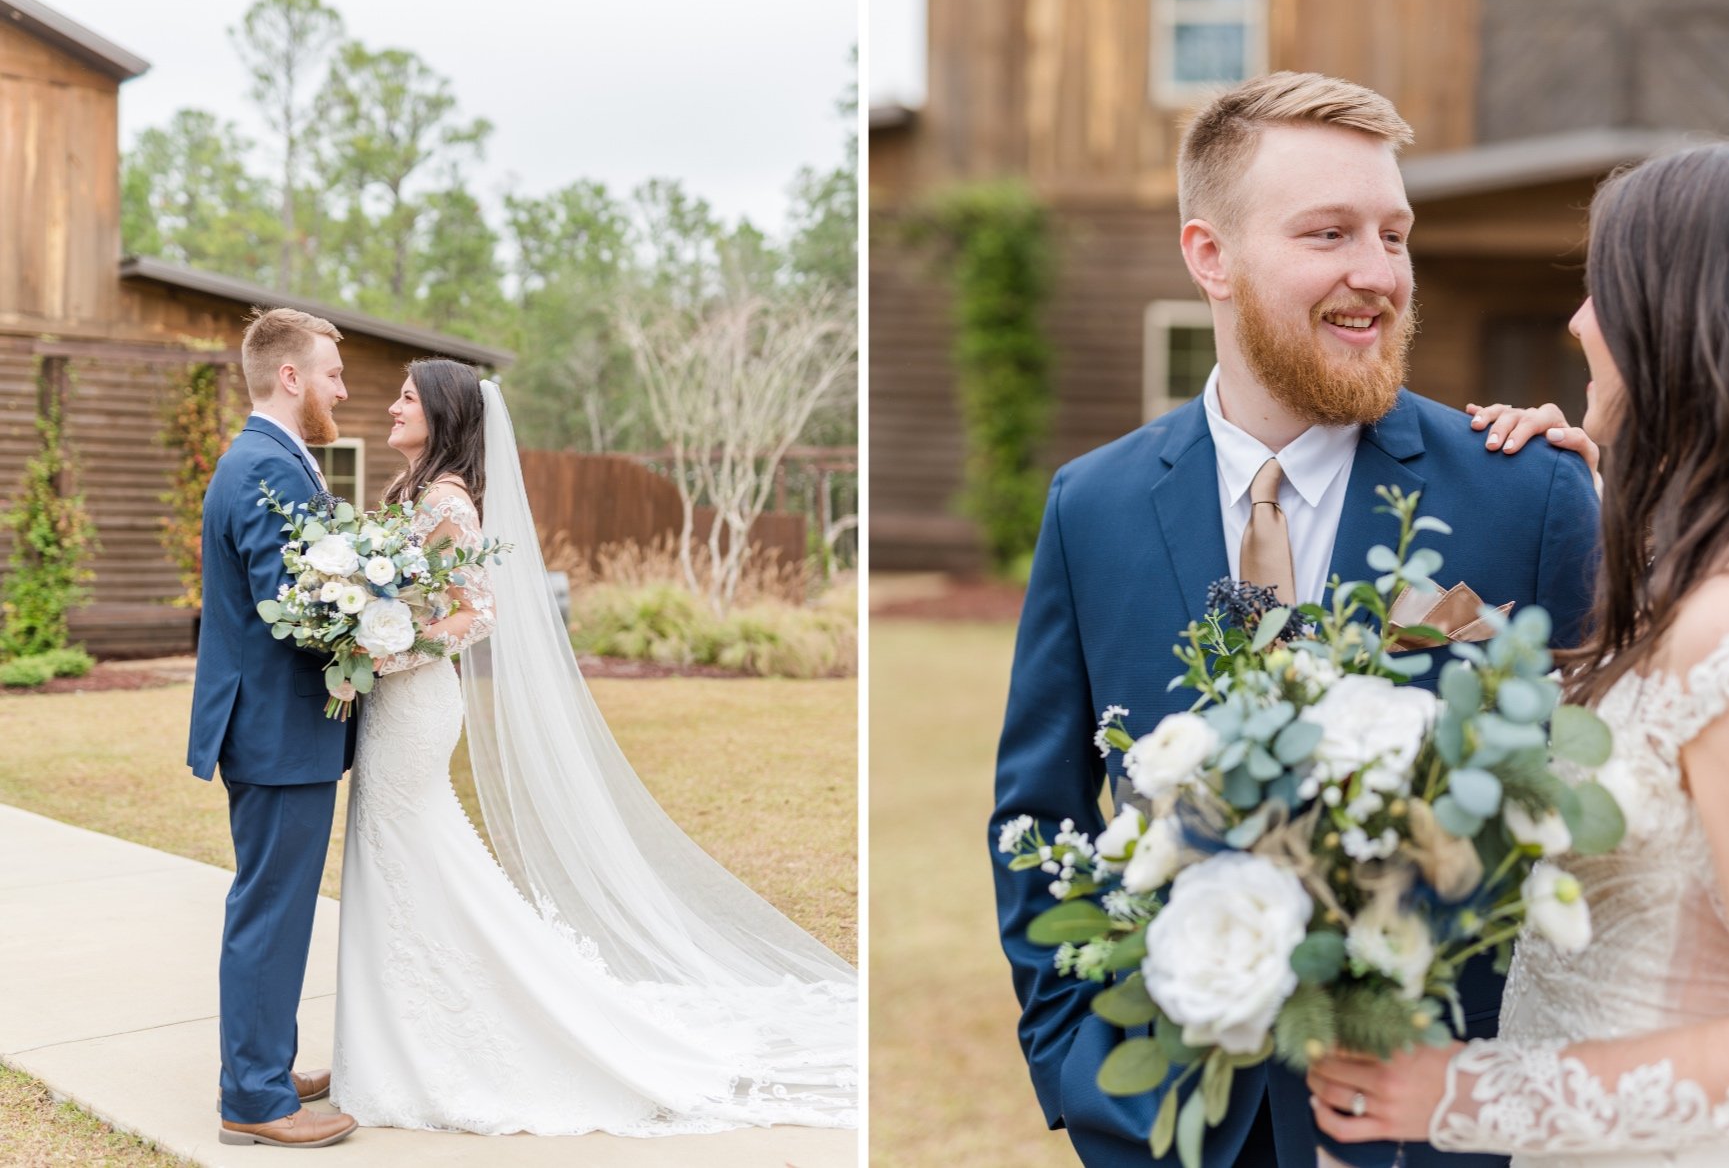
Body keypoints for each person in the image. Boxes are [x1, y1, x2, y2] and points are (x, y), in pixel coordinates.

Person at [989, 72, 1601, 1168]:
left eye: (1394, 235)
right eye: (1329, 233)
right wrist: (1076, 1071)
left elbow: (1610, 822)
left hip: (1438, 1137)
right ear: (1208, 256)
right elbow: (1038, 810)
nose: (1377, 275)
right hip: (1171, 1128)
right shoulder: (1094, 507)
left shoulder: (1527, 492)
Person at [1310, 143, 1729, 1164]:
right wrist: (1602, 495)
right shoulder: (1672, 586)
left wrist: (1459, 1094)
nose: (1577, 321)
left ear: (1674, 324)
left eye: (1602, 288)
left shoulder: (1719, 634)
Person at [328, 358, 858, 1135]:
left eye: (408, 396)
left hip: (414, 703)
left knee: (413, 850)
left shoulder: (446, 500)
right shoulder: (404, 494)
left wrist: (383, 651)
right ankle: (385, 1039)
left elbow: (478, 613)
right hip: (392, 702)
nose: (392, 405)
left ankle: (483, 1026)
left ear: (442, 414)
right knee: (395, 856)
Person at [188, 307, 359, 1149]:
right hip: (277, 729)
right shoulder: (269, 469)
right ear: (290, 378)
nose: (342, 389)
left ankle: (266, 1060)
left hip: (270, 725)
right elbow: (295, 611)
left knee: (276, 906)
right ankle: (253, 1100)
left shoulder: (271, 460)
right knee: (271, 910)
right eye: (332, 373)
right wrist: (378, 620)